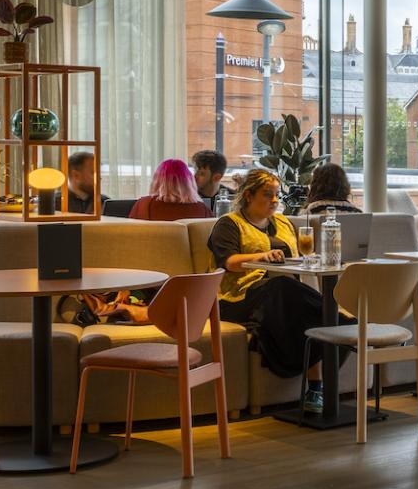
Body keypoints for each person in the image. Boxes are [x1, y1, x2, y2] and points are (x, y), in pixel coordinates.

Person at [209, 169, 329, 408]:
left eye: (277, 194)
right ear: (249, 196)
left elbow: (297, 259)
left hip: (282, 296)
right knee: (284, 287)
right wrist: (263, 256)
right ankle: (341, 320)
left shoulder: (283, 222)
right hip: (237, 298)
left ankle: (316, 389)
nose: (275, 200)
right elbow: (229, 262)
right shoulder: (229, 224)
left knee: (299, 306)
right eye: (268, 194)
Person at [129, 159, 213, 221]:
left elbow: (130, 238)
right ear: (189, 182)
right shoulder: (203, 210)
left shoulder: (143, 205)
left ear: (157, 181)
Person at [191, 148, 228, 213]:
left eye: (201, 174)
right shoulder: (188, 197)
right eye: (195, 171)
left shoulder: (232, 200)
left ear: (217, 177)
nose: (194, 177)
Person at [65, 150, 99, 216]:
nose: (99, 177)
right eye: (93, 173)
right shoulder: (53, 205)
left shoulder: (104, 202)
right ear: (76, 175)